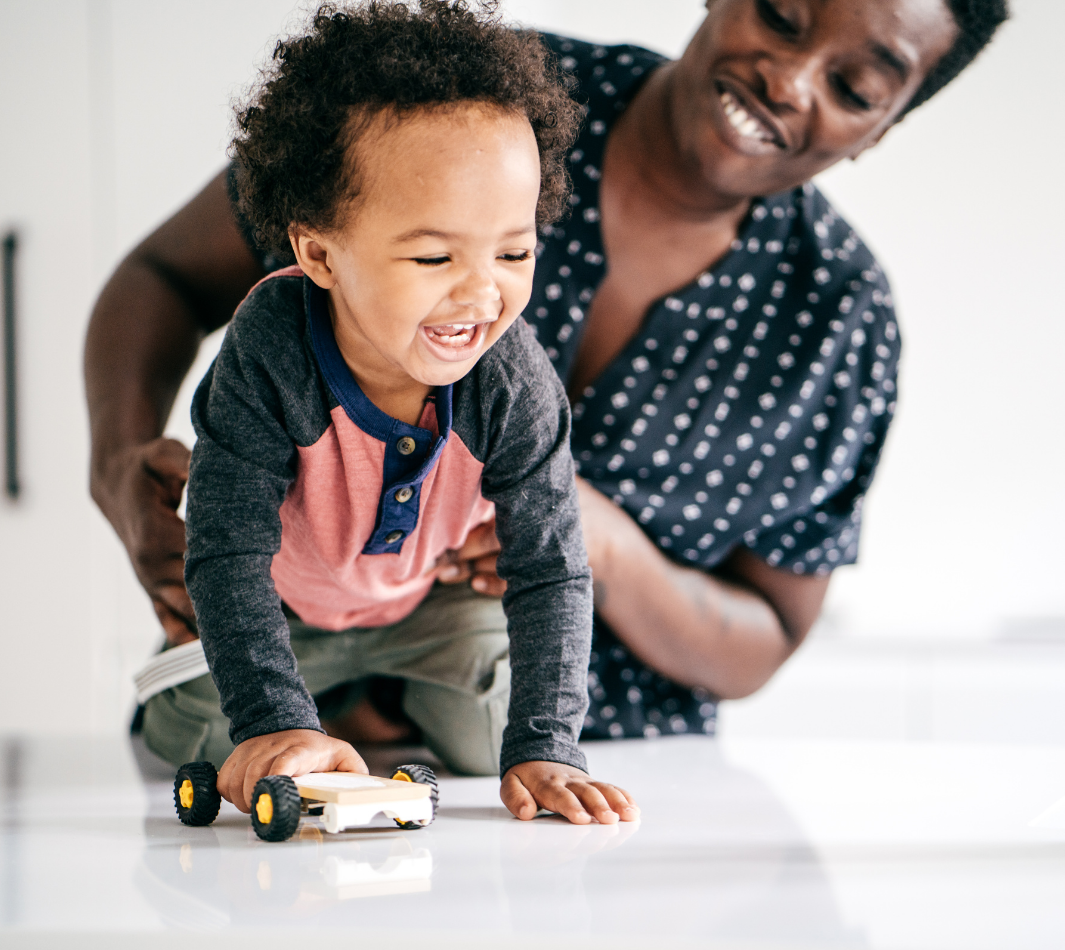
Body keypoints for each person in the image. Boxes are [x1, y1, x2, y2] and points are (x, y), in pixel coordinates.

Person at [85, 0, 1008, 748]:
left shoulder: (838, 323)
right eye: (778, 14)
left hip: (554, 766)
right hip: (279, 688)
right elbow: (164, 276)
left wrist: (592, 539)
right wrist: (120, 457)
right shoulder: (471, 112)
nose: (788, 77)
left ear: (881, 128)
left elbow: (763, 641)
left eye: (853, 85)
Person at [136, 0, 638, 826]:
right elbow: (226, 550)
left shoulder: (513, 380)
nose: (482, 292)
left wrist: (547, 744)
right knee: (189, 728)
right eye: (434, 255)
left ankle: (371, 708)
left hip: (423, 610)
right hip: (282, 607)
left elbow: (549, 566)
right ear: (320, 252)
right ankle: (312, 710)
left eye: (514, 251)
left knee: (493, 744)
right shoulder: (271, 350)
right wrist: (274, 723)